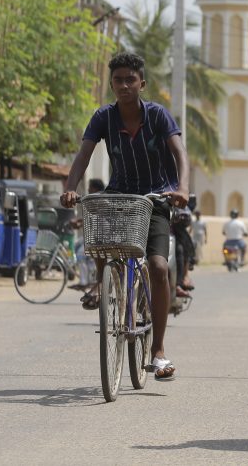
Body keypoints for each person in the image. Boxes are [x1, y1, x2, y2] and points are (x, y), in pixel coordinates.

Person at [60, 52, 189, 382]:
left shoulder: (158, 116)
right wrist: (70, 188)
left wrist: (182, 187)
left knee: (159, 267)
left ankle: (158, 350)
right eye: (118, 80)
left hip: (155, 199)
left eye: (130, 79)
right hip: (119, 196)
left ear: (141, 83)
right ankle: (104, 287)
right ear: (111, 84)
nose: (124, 85)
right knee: (101, 235)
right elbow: (83, 155)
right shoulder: (103, 118)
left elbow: (179, 154)